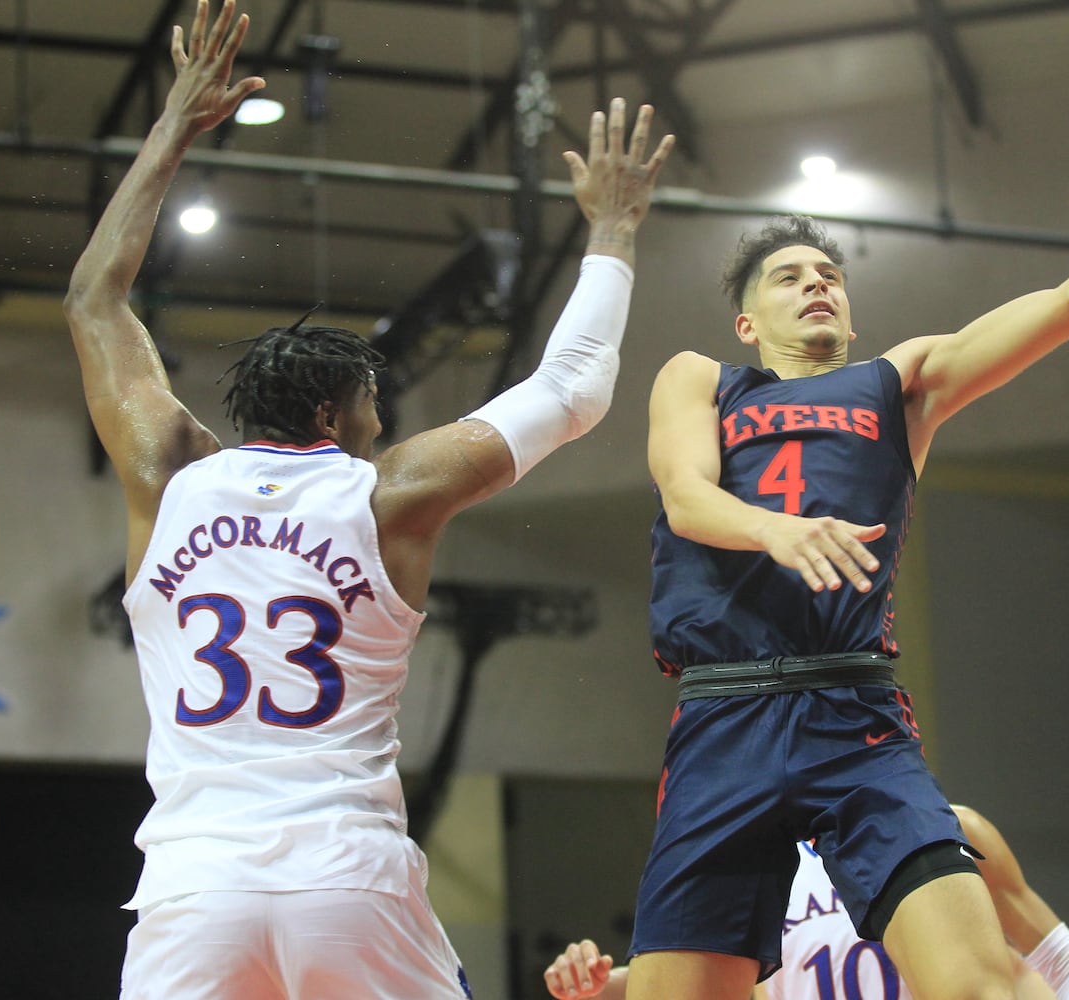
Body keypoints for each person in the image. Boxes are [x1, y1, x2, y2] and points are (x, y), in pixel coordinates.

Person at [627, 46, 1069, 1000]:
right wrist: (778, 531)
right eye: (790, 276)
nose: (818, 284)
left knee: (981, 987)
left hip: (853, 714)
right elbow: (686, 496)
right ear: (747, 324)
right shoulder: (700, 378)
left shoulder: (902, 381)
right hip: (724, 714)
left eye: (830, 275)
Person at [62, 1, 673, 997]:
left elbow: (94, 297)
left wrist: (175, 121)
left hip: (190, 885)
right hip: (346, 877)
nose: (382, 428)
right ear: (339, 413)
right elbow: (572, 389)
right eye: (375, 408)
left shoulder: (164, 476)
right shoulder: (386, 495)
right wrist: (610, 227)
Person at [544, 804, 1069, 1000]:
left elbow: (1067, 962)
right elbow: (703, 979)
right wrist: (601, 985)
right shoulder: (749, 867)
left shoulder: (950, 830)